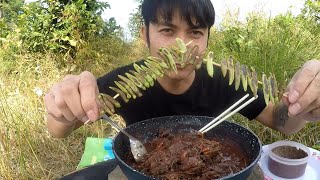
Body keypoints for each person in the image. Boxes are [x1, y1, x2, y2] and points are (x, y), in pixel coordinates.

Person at [45, 0, 320, 139]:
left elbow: (282, 123)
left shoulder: (224, 80)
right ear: (145, 34)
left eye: (195, 32)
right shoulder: (121, 86)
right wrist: (63, 110)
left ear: (208, 38)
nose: (181, 47)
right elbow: (58, 130)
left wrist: (302, 106)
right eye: (167, 30)